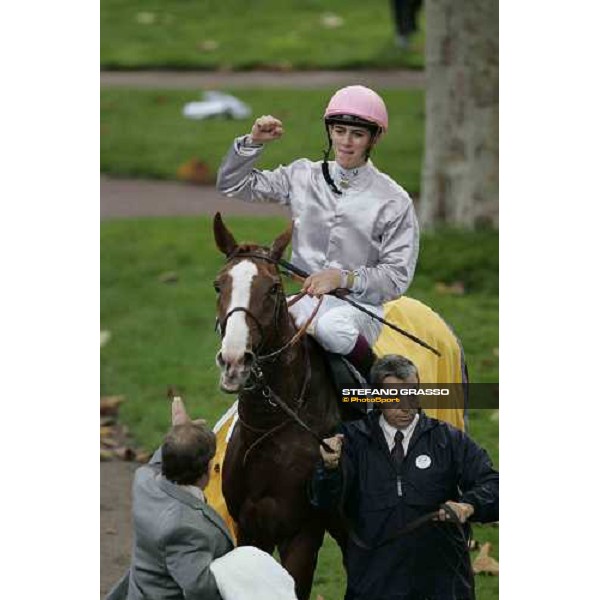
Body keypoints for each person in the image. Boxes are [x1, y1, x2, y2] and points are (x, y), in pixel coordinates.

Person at [216, 85, 419, 378]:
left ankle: (375, 391)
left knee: (331, 329)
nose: (346, 142)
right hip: (303, 300)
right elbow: (232, 185)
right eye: (339, 131)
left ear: (374, 138)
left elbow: (397, 277)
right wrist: (252, 143)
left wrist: (343, 277)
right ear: (330, 131)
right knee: (249, 325)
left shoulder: (394, 200)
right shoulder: (302, 176)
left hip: (359, 307)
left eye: (357, 135)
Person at [309, 355, 499, 600]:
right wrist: (329, 469)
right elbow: (323, 503)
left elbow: (495, 485)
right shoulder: (350, 442)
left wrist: (469, 504)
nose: (405, 405)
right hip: (375, 587)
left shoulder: (449, 440)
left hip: (444, 586)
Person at [105, 397, 234, 600]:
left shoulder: (144, 482)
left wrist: (180, 431)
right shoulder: (186, 529)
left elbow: (159, 462)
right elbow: (200, 589)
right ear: (207, 469)